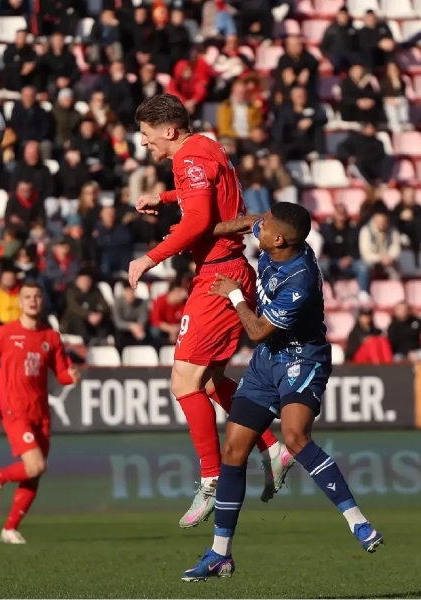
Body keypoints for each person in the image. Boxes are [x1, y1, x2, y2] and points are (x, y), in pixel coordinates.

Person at [182, 204, 384, 581]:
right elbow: (246, 221)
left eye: (268, 222)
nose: (260, 223)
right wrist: (205, 232)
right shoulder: (275, 237)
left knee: (294, 437)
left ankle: (357, 521)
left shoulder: (300, 280)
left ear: (278, 240)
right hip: (266, 361)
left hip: (302, 359)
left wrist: (234, 295)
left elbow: (257, 330)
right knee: (233, 450)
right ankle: (219, 554)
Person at [128, 94, 290, 528]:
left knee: (183, 382)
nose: (143, 144)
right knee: (212, 379)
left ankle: (212, 478)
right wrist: (163, 198)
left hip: (219, 278)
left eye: (146, 135)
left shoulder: (189, 157)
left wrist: (149, 258)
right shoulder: (207, 146)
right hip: (227, 271)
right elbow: (206, 197)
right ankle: (273, 445)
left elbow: (199, 221)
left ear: (169, 131)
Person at [0, 281, 80, 544]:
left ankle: (9, 528)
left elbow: (62, 373)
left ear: (42, 301)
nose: (32, 301)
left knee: (35, 472)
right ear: (20, 302)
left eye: (37, 297)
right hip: (13, 409)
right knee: (35, 465)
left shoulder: (51, 336)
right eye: (27, 297)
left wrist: (72, 375)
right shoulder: (4, 333)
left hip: (40, 412)